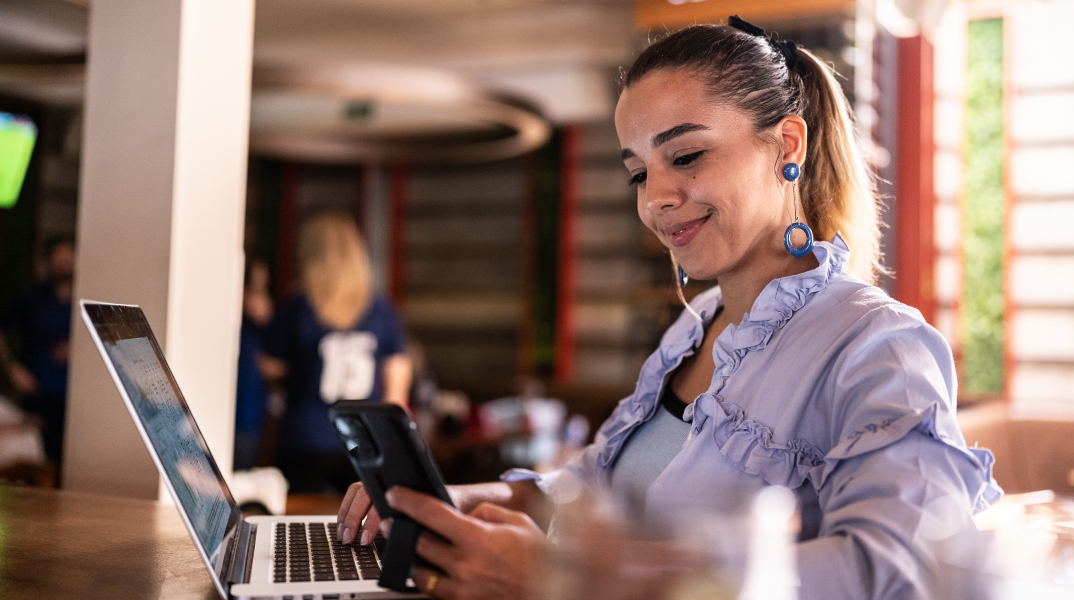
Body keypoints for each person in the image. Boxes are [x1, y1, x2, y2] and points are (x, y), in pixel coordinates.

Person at [337, 19, 1001, 600]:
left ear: (787, 147)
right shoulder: (695, 325)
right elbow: (595, 490)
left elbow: (901, 571)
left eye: (685, 155)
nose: (653, 199)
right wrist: (459, 501)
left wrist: (572, 582)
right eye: (638, 171)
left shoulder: (878, 345)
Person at [262, 212, 412, 494]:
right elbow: (398, 387)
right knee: (362, 525)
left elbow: (270, 365)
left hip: (307, 438)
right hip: (364, 439)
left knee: (299, 524)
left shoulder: (298, 305)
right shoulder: (381, 308)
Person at [1, 235, 75, 475]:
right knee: (38, 461)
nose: (65, 263)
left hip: (75, 394)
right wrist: (12, 367)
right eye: (59, 258)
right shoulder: (32, 298)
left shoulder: (84, 299)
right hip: (38, 390)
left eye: (69, 257)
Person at [233, 259, 274, 471]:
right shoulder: (232, 328)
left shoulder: (261, 332)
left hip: (252, 415)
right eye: (253, 289)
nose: (260, 300)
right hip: (235, 413)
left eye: (262, 289)